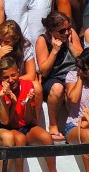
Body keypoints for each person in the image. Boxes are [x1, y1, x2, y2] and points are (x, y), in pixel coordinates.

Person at [0, 55, 68, 172]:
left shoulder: (28, 86)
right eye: (6, 77)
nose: (11, 80)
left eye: (13, 75)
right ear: (0, 78)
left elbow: (31, 120)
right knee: (20, 140)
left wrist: (28, 105)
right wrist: (10, 100)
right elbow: (6, 122)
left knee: (47, 137)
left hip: (26, 126)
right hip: (10, 129)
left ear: (18, 72)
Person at [35, 11, 83, 142]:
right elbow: (43, 71)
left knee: (74, 86)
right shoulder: (42, 40)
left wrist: (69, 44)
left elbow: (82, 59)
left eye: (68, 28)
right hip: (53, 78)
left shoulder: (70, 34)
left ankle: (75, 124)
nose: (67, 32)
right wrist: (54, 51)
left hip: (72, 75)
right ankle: (53, 125)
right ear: (51, 31)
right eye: (62, 31)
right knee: (57, 88)